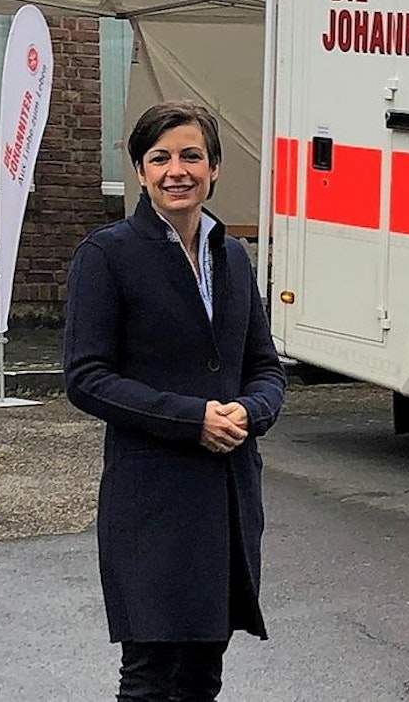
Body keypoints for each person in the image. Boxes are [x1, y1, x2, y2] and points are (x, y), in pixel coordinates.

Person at [62, 100, 288, 702]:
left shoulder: (231, 255)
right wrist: (193, 418)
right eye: (160, 158)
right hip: (152, 499)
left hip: (227, 496)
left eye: (191, 156)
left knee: (202, 675)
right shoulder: (106, 256)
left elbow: (264, 366)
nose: (176, 171)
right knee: (150, 675)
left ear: (214, 168)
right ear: (141, 171)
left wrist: (252, 411)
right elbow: (86, 377)